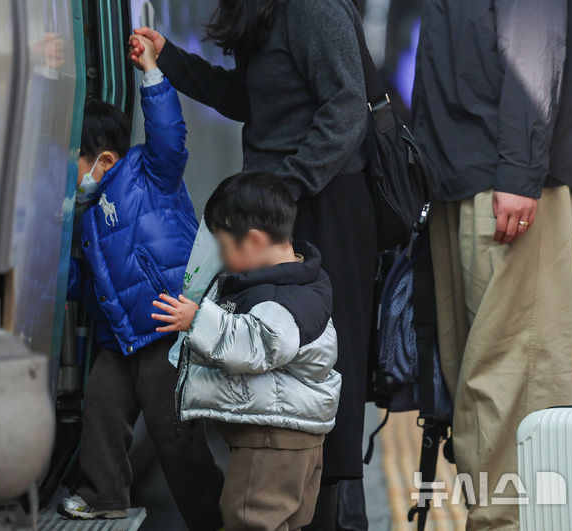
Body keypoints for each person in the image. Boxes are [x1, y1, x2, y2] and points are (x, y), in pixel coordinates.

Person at [130, 1, 375, 527]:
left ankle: (333, 511)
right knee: (274, 352)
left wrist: (286, 187)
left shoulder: (312, 9)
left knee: (324, 356)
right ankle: (285, 497)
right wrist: (171, 60)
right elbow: (251, 99)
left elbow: (347, 105)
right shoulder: (263, 12)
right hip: (280, 203)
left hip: (322, 201)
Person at [412, 0, 572, 528]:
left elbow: (535, 40)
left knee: (514, 378)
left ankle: (515, 523)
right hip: (465, 175)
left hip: (506, 179)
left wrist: (519, 170)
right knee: (475, 377)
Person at [57, 36, 223, 528]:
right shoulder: (85, 219)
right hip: (121, 340)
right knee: (102, 412)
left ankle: (212, 518)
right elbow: (89, 284)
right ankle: (103, 494)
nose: (70, 176)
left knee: (176, 437)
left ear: (105, 160)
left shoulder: (150, 174)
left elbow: (168, 133)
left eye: (74, 161)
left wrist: (152, 74)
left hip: (165, 330)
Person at [152, 172, 342, 530]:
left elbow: (258, 345)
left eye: (224, 247)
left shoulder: (279, 299)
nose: (221, 258)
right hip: (292, 434)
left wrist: (197, 321)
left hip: (273, 440)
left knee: (249, 519)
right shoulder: (298, 280)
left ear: (253, 241)